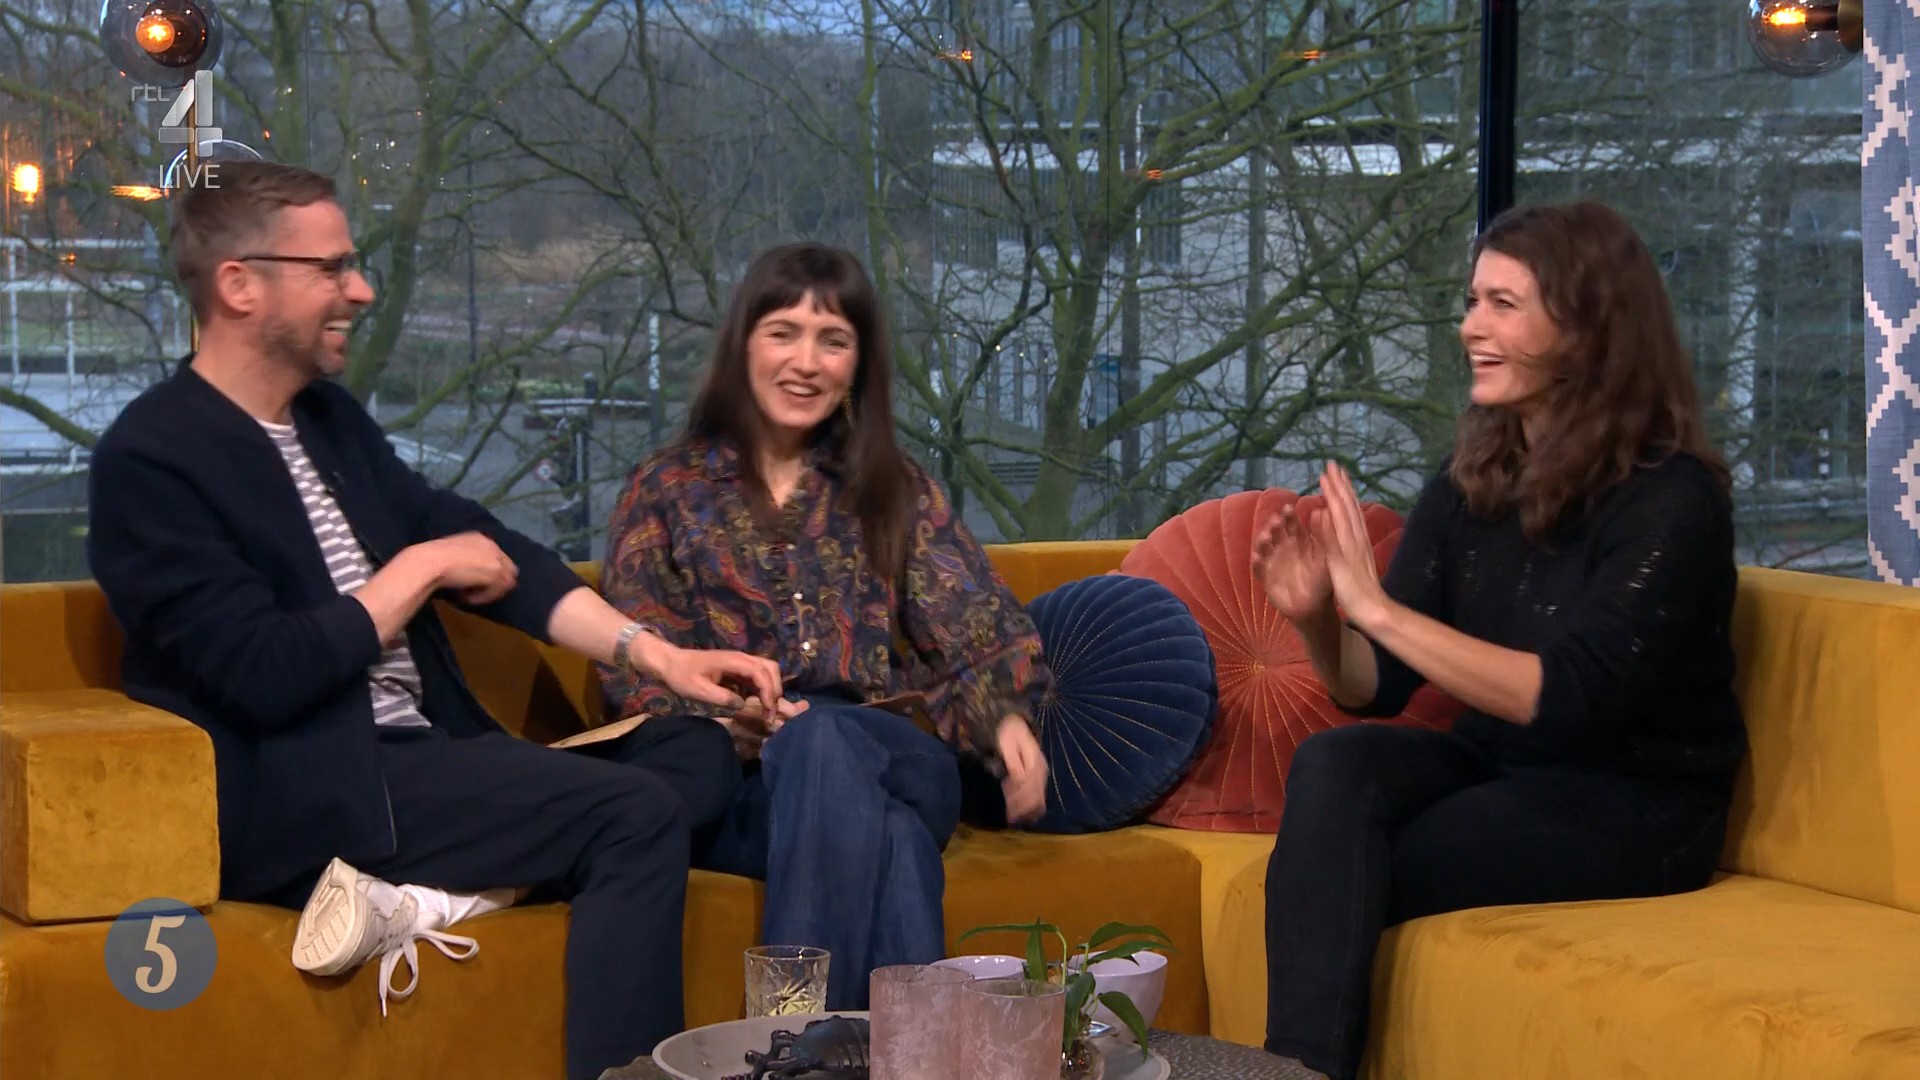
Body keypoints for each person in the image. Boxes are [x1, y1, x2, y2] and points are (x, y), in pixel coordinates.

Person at [85, 160, 781, 1080]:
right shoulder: (150, 460)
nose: (360, 290)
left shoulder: (327, 422)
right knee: (636, 816)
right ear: (240, 284)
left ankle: (441, 900)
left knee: (693, 751)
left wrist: (656, 657)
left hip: (425, 761)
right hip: (317, 789)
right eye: (331, 268)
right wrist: (416, 570)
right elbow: (265, 672)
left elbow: (485, 548)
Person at [1254, 202, 1748, 1080]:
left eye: (1503, 305)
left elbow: (1570, 696)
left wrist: (1377, 610)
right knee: (1335, 764)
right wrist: (1319, 617)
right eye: (1472, 302)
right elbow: (1373, 684)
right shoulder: (1471, 482)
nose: (1470, 327)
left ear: (1587, 328)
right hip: (1500, 764)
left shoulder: (1675, 500)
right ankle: (1294, 1072)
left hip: (1641, 801)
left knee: (1351, 869)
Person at [599, 242, 1052, 1010]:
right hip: (745, 788)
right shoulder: (665, 490)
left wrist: (1003, 718)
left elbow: (977, 624)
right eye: (783, 333)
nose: (805, 362)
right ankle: (914, 1056)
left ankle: (789, 1040)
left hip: (891, 752)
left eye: (833, 340)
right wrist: (726, 724)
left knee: (824, 738)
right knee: (894, 840)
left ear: (858, 362)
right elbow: (635, 660)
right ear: (744, 343)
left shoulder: (894, 488)